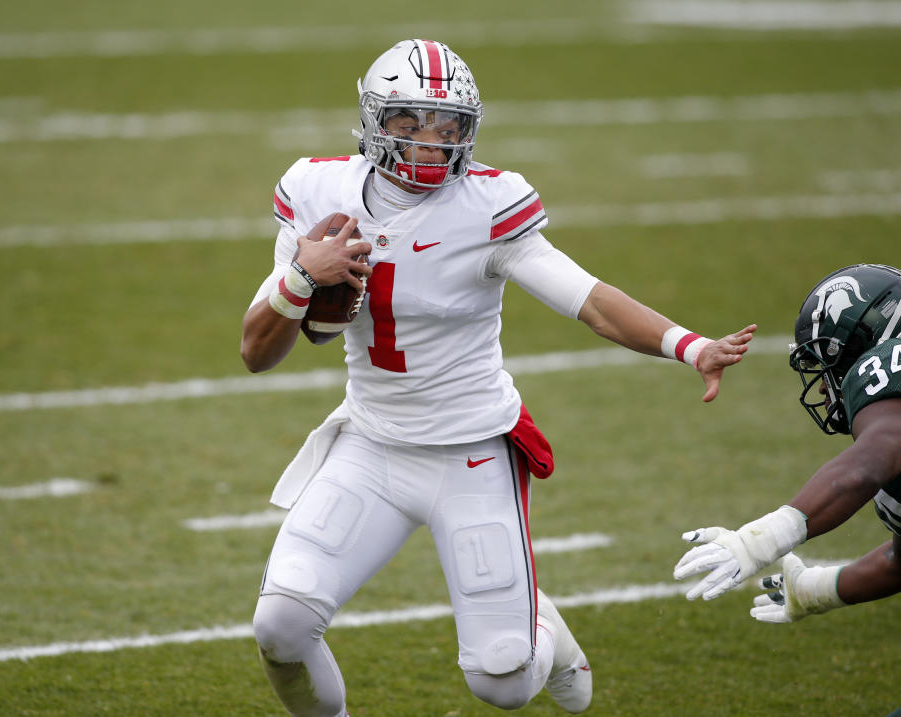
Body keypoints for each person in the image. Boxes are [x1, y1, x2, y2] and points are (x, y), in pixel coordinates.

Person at [241, 38, 755, 717]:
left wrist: (688, 346)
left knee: (503, 680)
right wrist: (304, 277)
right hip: (371, 445)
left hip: (471, 452)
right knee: (279, 625)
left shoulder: (488, 205)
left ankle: (545, 628)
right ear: (374, 121)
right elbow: (257, 349)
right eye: (410, 123)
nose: (431, 142)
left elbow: (591, 300)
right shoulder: (317, 193)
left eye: (448, 126)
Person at [672, 263, 901, 715]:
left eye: (829, 362)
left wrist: (760, 539)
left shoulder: (899, 377)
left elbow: (867, 467)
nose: (824, 382)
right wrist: (817, 588)